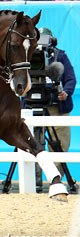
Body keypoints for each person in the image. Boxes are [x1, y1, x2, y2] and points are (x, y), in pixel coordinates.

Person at [33, 28, 77, 190]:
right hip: (34, 106)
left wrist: (66, 92)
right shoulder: (27, 56)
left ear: (52, 40)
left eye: (44, 39)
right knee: (33, 144)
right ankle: (35, 181)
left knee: (60, 144)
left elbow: (71, 79)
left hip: (58, 107)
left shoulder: (60, 56)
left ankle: (56, 180)